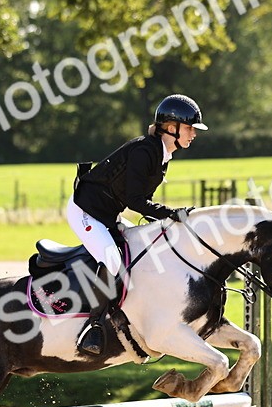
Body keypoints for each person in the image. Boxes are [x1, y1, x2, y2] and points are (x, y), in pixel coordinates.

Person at [66, 94, 207, 355]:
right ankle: (92, 327)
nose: (193, 134)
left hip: (107, 213)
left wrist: (168, 219)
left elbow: (141, 201)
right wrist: (171, 213)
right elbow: (136, 201)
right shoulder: (145, 151)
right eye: (189, 128)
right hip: (86, 211)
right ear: (171, 127)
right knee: (112, 261)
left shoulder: (161, 154)